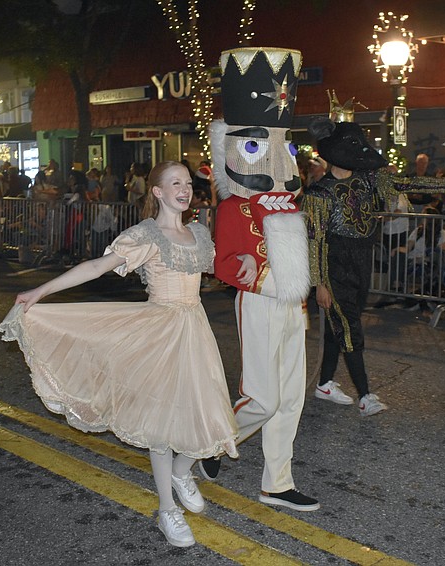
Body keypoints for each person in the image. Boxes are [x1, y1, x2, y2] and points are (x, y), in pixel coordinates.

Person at [0, 161, 238, 548]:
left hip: (195, 330)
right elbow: (96, 266)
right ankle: (167, 510)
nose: (185, 189)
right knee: (161, 424)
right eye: (175, 182)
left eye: (189, 183)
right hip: (157, 333)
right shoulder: (146, 235)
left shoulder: (198, 232)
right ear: (157, 192)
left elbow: (223, 266)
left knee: (208, 409)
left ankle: (182, 472)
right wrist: (40, 292)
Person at [204, 46, 318, 512]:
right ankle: (211, 441)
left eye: (280, 144)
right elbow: (223, 262)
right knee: (264, 399)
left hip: (294, 307)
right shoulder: (234, 206)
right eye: (255, 145)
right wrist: (245, 271)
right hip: (259, 302)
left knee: (292, 399)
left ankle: (277, 482)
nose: (275, 156)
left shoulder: (291, 202)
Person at [304, 115, 400, 417]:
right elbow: (314, 239)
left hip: (361, 266)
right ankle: (365, 396)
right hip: (334, 271)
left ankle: (324, 383)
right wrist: (320, 282)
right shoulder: (318, 192)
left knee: (338, 327)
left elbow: (402, 186)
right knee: (350, 330)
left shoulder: (367, 182)